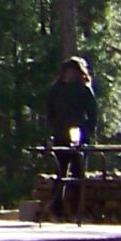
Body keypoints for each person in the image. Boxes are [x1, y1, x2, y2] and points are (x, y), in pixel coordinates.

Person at [44, 57, 99, 218]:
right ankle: (57, 209)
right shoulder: (56, 90)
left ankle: (76, 210)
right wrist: (55, 129)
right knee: (60, 173)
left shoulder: (84, 90)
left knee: (78, 174)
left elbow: (92, 114)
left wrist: (87, 131)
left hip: (80, 138)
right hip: (60, 137)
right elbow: (50, 111)